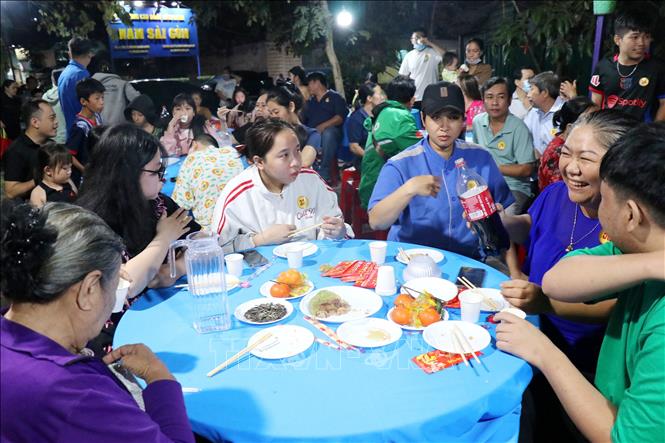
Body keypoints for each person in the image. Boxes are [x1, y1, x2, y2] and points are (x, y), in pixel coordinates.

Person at [497, 122, 665, 442]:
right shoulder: (637, 250)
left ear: (631, 214)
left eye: (606, 200)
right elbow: (557, 281)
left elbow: (621, 437)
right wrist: (653, 264)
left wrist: (543, 352)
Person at [0, 201, 195, 442]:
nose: (114, 299)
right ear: (89, 290)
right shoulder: (73, 395)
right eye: (116, 286)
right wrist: (158, 377)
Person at [499, 110, 636, 375]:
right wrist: (502, 223)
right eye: (566, 153)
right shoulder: (556, 192)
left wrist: (546, 303)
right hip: (531, 330)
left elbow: (619, 307)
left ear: (620, 163)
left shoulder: (627, 223)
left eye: (585, 158)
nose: (571, 168)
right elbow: (532, 226)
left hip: (585, 355)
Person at [368, 81, 514, 260]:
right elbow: (376, 222)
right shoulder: (400, 165)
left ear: (463, 120)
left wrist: (513, 269)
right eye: (436, 117)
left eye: (453, 117)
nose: (444, 126)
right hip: (412, 262)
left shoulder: (481, 158)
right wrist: (409, 189)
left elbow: (502, 218)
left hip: (469, 260)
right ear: (423, 120)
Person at [211, 118, 353, 252]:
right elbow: (219, 249)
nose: (296, 162)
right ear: (259, 162)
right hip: (260, 268)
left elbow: (336, 226)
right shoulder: (238, 194)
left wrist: (338, 232)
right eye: (284, 155)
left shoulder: (311, 180)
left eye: (297, 150)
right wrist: (260, 239)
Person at [472, 77, 536, 215]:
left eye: (501, 97)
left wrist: (492, 167)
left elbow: (526, 169)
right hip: (484, 185)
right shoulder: (478, 122)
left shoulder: (519, 127)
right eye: (489, 97)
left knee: (503, 220)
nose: (495, 102)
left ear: (509, 100)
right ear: (483, 100)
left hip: (512, 187)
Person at [358, 75, 422, 209]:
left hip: (369, 184)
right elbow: (420, 150)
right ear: (411, 99)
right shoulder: (401, 116)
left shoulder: (383, 112)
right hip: (382, 190)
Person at [589, 13, 665, 122]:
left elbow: (664, 103)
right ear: (618, 40)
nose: (641, 43)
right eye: (635, 37)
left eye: (647, 37)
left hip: (641, 131)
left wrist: (653, 129)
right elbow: (595, 104)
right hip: (609, 129)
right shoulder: (603, 67)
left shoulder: (658, 68)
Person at [172, 133, 244, 231]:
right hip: (242, 223)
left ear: (194, 144)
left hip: (212, 231)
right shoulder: (232, 152)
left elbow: (181, 204)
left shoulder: (192, 158)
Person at [538, 96, 597, 191]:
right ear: (570, 127)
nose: (597, 124)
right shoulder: (558, 152)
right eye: (590, 120)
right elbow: (559, 190)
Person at [3, 100, 59, 199]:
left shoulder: (51, 145)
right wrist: (40, 179)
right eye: (52, 118)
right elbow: (11, 192)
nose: (56, 122)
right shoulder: (16, 151)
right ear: (35, 122)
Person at [302, 72, 348, 184]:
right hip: (314, 133)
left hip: (332, 133)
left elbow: (339, 118)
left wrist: (323, 126)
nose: (308, 87)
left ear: (317, 82)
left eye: (309, 84)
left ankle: (324, 171)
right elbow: (304, 119)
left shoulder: (335, 97)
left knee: (328, 133)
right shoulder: (311, 102)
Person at [266, 82, 320, 168]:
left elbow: (304, 162)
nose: (273, 117)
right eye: (270, 113)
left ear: (291, 106)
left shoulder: (312, 134)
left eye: (276, 112)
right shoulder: (270, 134)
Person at [66, 78, 105, 186]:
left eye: (102, 98)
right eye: (97, 98)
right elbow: (69, 155)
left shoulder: (98, 116)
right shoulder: (80, 127)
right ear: (83, 101)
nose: (102, 102)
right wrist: (85, 170)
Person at [57, 37, 93, 139]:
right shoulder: (81, 74)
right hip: (83, 132)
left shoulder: (64, 73)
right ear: (89, 54)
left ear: (70, 53)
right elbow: (89, 106)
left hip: (71, 131)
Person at [90, 54, 140, 126]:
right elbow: (139, 100)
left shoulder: (89, 85)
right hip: (120, 128)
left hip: (97, 128)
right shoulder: (122, 84)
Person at [398, 29, 445, 105]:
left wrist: (429, 43)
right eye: (415, 38)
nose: (418, 40)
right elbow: (403, 76)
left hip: (432, 96)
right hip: (414, 96)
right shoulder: (409, 56)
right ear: (411, 40)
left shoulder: (432, 52)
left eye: (419, 37)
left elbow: (445, 56)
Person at [524, 71, 564, 158]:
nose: (528, 95)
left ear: (545, 93)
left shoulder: (564, 112)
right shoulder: (533, 112)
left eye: (532, 89)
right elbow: (522, 134)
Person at [347, 82, 384, 170]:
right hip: (365, 160)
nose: (382, 97)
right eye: (379, 94)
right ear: (369, 98)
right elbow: (354, 146)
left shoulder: (382, 114)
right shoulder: (356, 118)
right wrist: (371, 158)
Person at [29, 143, 77, 207]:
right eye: (65, 168)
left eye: (70, 167)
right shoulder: (39, 193)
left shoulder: (69, 183)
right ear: (48, 170)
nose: (70, 171)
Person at [41, 69, 67, 144]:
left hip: (51, 136)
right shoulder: (67, 94)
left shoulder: (45, 96)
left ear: (52, 79)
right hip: (67, 136)